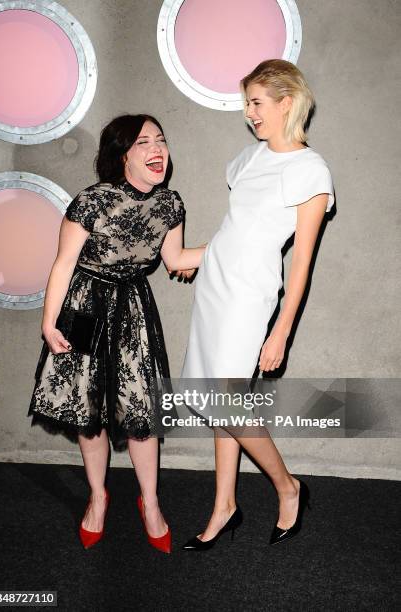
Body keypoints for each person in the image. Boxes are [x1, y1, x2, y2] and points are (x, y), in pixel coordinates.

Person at [28, 114, 204, 553]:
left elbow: (178, 259)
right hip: (85, 308)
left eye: (161, 140)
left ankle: (151, 503)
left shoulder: (170, 205)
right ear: (123, 154)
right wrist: (49, 322)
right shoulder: (92, 200)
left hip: (133, 310)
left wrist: (240, 242)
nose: (157, 149)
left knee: (140, 411)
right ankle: (98, 497)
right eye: (144, 142)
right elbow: (63, 263)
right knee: (89, 408)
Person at [180, 59, 334, 549]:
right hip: (215, 286)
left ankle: (288, 487)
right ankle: (225, 504)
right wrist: (196, 257)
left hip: (249, 294)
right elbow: (235, 233)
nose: (249, 113)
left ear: (286, 102)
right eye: (246, 103)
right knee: (221, 401)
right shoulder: (246, 160)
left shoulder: (311, 169)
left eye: (256, 103)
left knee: (223, 400)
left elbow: (302, 263)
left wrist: (280, 332)